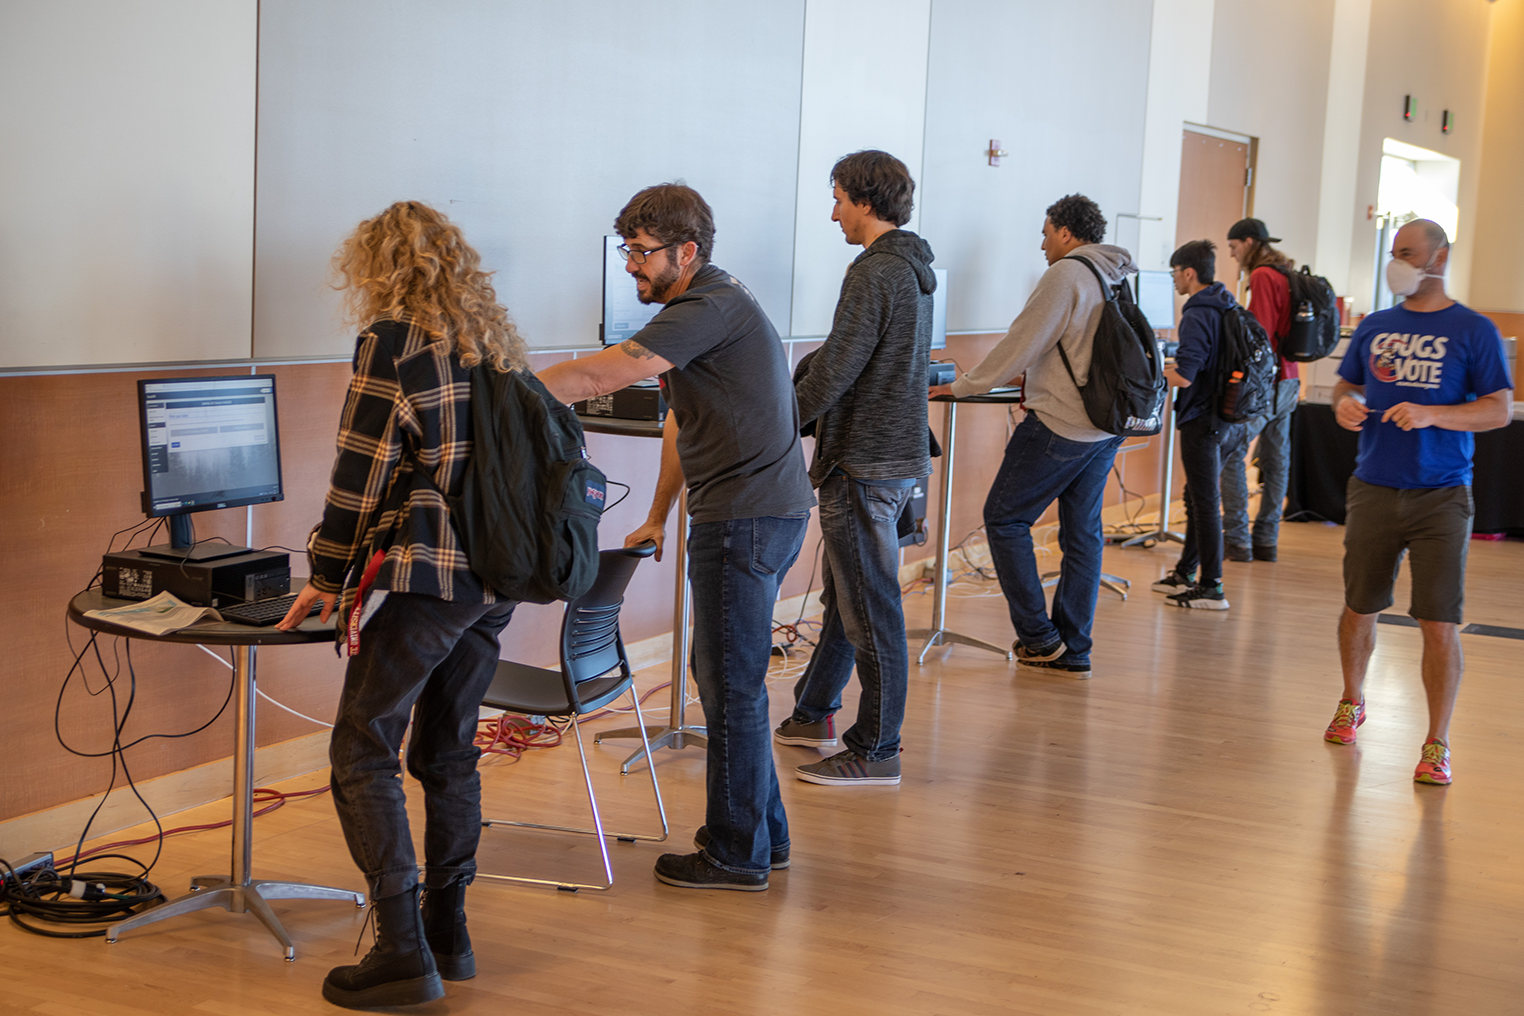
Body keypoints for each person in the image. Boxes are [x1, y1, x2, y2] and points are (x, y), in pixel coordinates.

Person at [276, 201, 525, 1007]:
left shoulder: (394, 341)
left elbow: (361, 468)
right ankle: (448, 934)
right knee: (446, 753)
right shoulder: (493, 342)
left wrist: (325, 572)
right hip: (494, 580)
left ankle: (401, 953)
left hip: (434, 574)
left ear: (378, 267)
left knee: (360, 750)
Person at [538, 184, 815, 890]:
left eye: (642, 252)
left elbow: (608, 371)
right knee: (728, 681)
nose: (631, 265)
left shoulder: (706, 307)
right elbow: (680, 423)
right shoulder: (703, 308)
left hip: (746, 517)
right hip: (757, 510)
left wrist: (506, 392)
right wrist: (660, 510)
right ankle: (764, 836)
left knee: (730, 684)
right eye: (626, 249)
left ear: (687, 251)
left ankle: (734, 853)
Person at [1325, 218, 1513, 785]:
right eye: (1393, 252)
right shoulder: (1377, 325)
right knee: (1360, 605)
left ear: (1440, 257)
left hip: (1442, 495)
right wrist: (1345, 403)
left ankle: (1437, 742)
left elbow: (1499, 409)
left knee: (1438, 621)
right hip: (1374, 486)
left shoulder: (1473, 329)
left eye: (1407, 252)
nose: (1397, 262)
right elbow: (1346, 384)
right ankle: (1352, 701)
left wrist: (1434, 413)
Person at [772, 150, 935, 787]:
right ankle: (813, 712)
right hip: (894, 457)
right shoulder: (914, 270)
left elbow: (839, 368)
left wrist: (777, 425)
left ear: (866, 201)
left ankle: (877, 749)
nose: (833, 210)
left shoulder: (873, 272)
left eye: (838, 197)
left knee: (870, 609)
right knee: (848, 597)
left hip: (863, 460)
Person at [930, 194, 1132, 679]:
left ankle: (1040, 639)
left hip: (1062, 424)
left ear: (1066, 232)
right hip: (1105, 427)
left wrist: (962, 386)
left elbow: (1022, 341)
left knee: (1003, 518)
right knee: (1083, 533)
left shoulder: (1066, 273)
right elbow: (1081, 348)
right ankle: (1074, 649)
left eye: (1045, 233)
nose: (1041, 244)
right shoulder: (1116, 274)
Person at [1153, 239, 1242, 610]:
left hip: (1202, 419)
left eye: (1175, 272)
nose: (1174, 280)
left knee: (1204, 502)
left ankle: (1212, 586)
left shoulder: (1196, 312)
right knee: (1196, 497)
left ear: (1189, 272)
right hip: (1230, 417)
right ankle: (1186, 571)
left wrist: (1150, 374)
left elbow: (1186, 375)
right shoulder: (1226, 304)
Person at [1220, 217, 1301, 563]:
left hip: (1265, 382)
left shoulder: (1263, 276)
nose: (1233, 254)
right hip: (1291, 380)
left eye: (1234, 247)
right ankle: (1267, 539)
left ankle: (1237, 538)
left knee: (1231, 451)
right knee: (1277, 460)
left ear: (1249, 242)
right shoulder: (1287, 272)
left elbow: (1261, 334)